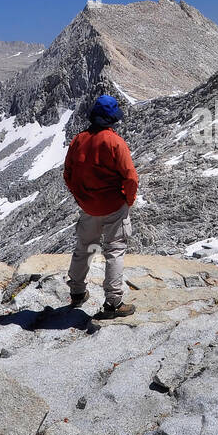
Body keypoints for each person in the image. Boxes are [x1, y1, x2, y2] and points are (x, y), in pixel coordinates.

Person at [63, 94, 138, 318]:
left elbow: (68, 173)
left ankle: (77, 292)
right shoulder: (115, 142)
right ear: (113, 119)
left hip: (88, 206)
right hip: (114, 205)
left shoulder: (79, 140)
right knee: (114, 251)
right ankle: (113, 302)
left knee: (84, 247)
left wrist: (80, 197)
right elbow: (131, 178)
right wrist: (128, 200)